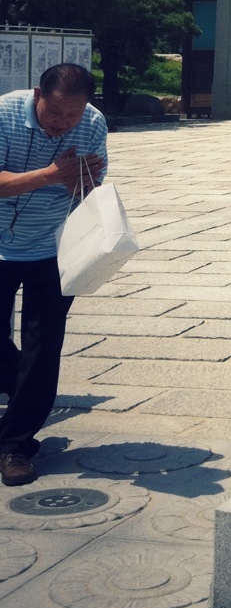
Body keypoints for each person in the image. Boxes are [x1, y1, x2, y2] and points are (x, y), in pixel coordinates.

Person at [0, 63, 106, 486]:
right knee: (20, 360)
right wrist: (52, 175)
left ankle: (15, 445)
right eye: (55, 113)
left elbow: (91, 188)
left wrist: (83, 182)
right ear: (37, 96)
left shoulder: (92, 123)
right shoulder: (4, 114)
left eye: (73, 115)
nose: (63, 123)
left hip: (52, 246)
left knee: (43, 347)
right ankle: (24, 385)